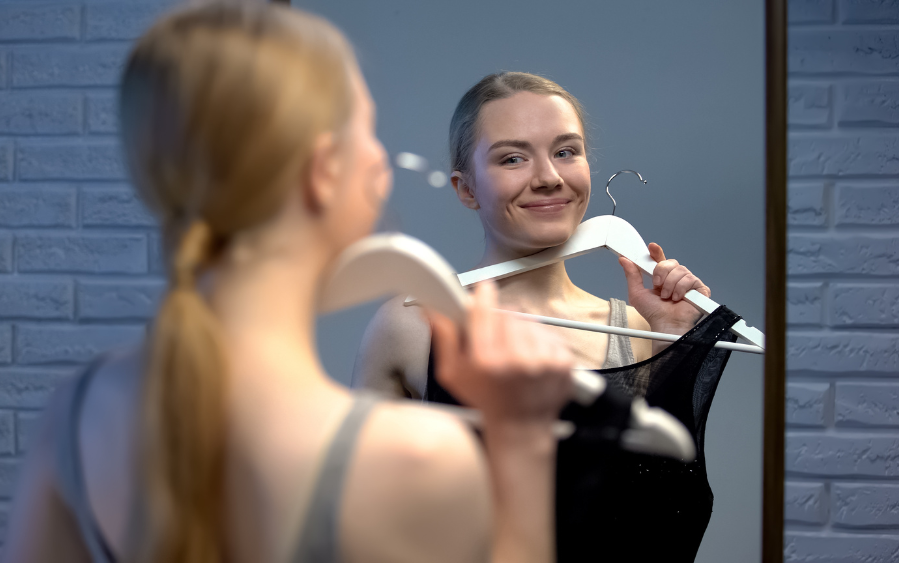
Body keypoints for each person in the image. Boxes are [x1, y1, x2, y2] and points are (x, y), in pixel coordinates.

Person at [3, 8, 575, 563]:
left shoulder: (77, 414)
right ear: (324, 172)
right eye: (369, 132)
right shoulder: (415, 461)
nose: (383, 161)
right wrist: (521, 446)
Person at [353, 71, 712, 399]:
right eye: (512, 158)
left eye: (565, 152)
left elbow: (661, 467)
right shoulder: (410, 326)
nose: (549, 177)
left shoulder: (641, 330)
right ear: (467, 189)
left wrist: (673, 340)